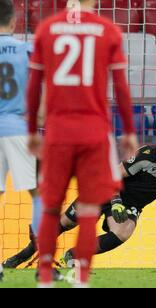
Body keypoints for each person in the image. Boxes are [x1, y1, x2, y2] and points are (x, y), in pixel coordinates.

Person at [26, 0, 138, 287]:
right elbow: (122, 87)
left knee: (52, 207)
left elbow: (34, 84)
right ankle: (81, 277)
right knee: (89, 210)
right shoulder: (108, 30)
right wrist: (128, 131)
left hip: (58, 130)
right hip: (94, 132)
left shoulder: (47, 29)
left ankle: (46, 276)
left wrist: (32, 131)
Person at [3, 130, 156, 269]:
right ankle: (23, 255)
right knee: (65, 224)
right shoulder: (148, 155)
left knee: (123, 232)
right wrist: (116, 201)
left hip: (131, 205)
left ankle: (73, 255)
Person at [0, 0, 43, 282]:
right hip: (20, 128)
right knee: (38, 194)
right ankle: (46, 262)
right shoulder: (27, 50)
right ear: (14, 22)